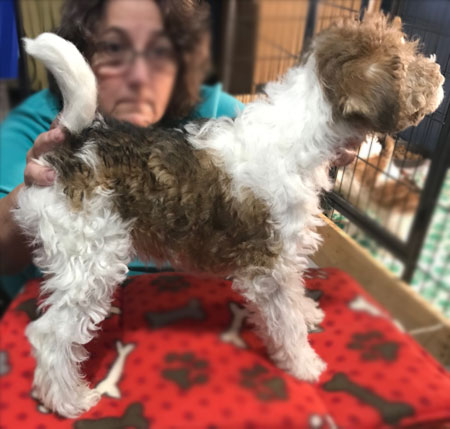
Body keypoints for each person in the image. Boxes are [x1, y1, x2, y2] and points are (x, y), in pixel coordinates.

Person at [0, 0, 243, 299]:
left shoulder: (221, 118)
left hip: (200, 303)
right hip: (75, 306)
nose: (140, 77)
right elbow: (3, 256)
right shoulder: (36, 126)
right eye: (114, 48)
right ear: (83, 55)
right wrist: (31, 193)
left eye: (160, 51)